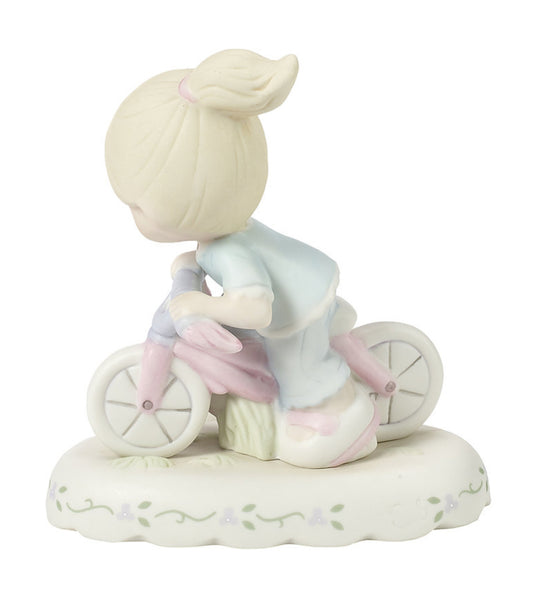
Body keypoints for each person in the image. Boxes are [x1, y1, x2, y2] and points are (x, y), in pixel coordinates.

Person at [105, 49, 379, 468]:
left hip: (299, 312)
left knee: (296, 373)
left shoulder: (229, 251)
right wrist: (188, 269)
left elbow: (255, 309)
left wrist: (198, 303)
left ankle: (346, 416)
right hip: (300, 277)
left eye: (139, 204)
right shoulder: (221, 240)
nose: (133, 210)